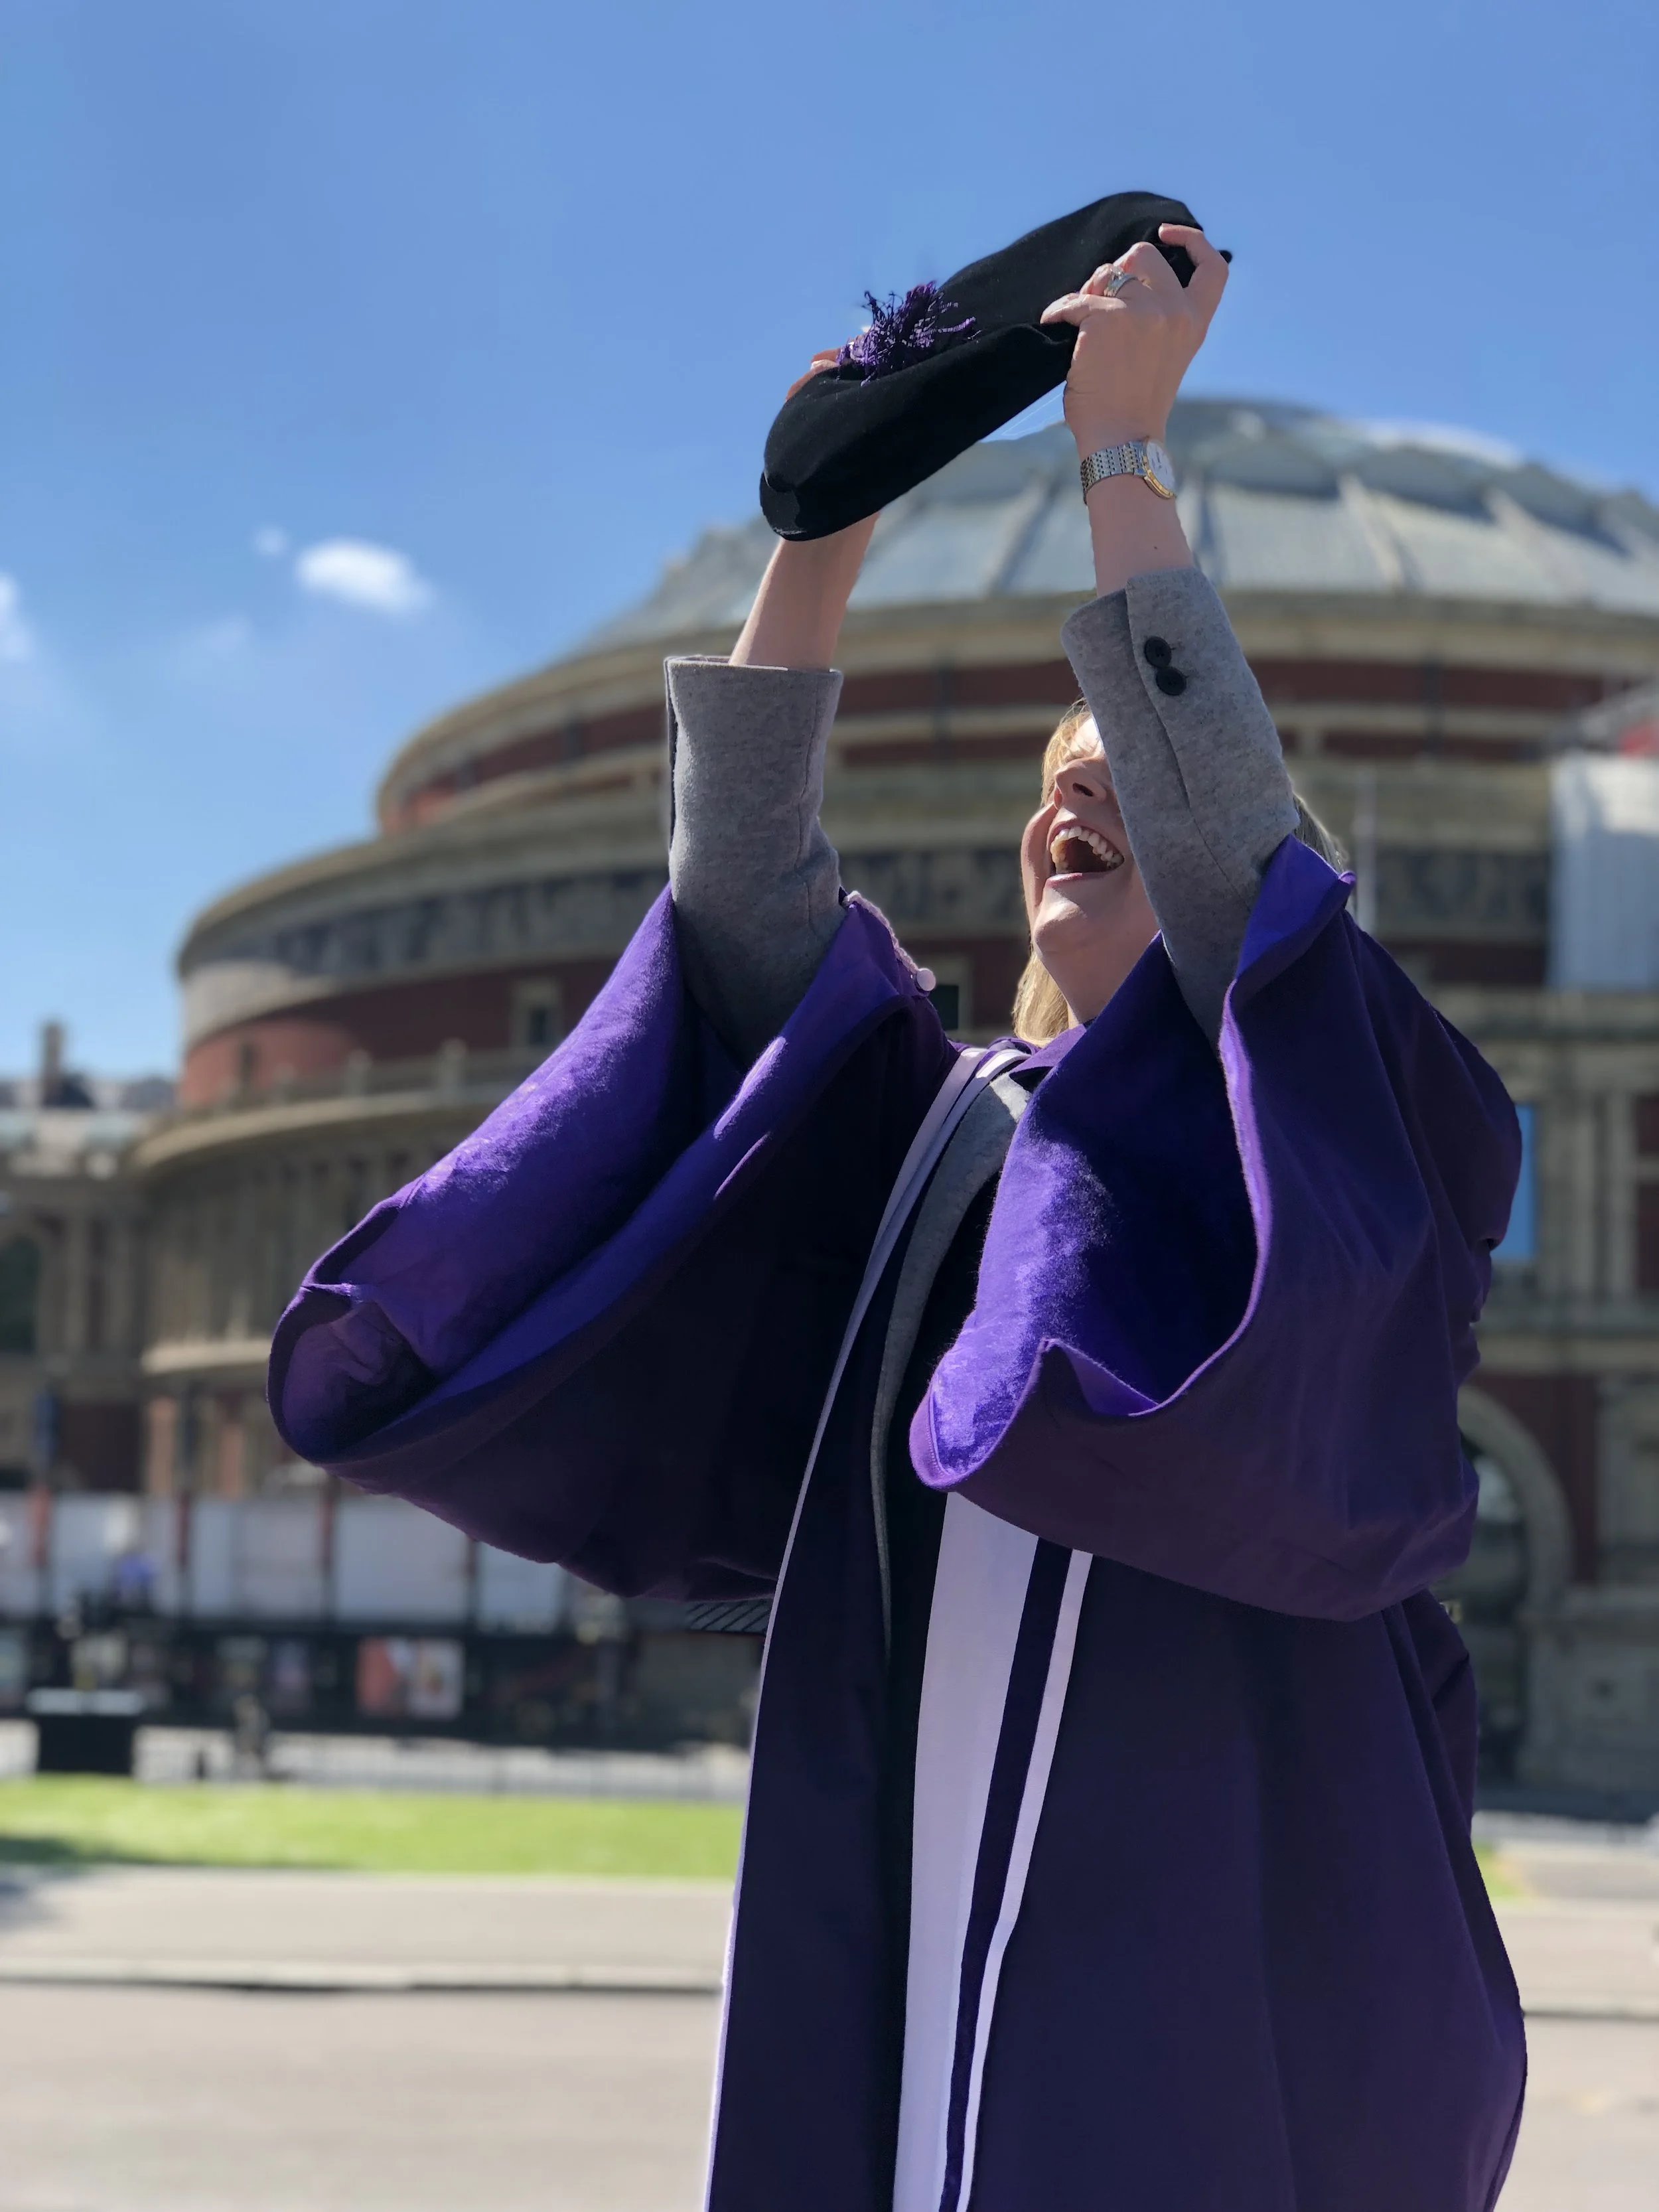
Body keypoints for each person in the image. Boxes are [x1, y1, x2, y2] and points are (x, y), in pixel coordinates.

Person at [271, 226, 1526, 2211]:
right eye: (1051, 781)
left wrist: (1124, 468)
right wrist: (819, 532)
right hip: (909, 1772)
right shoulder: (943, 1136)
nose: (1069, 803)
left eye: (1118, 775)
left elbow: (1243, 877)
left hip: (1202, 1801)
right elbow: (741, 903)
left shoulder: (1327, 1113)